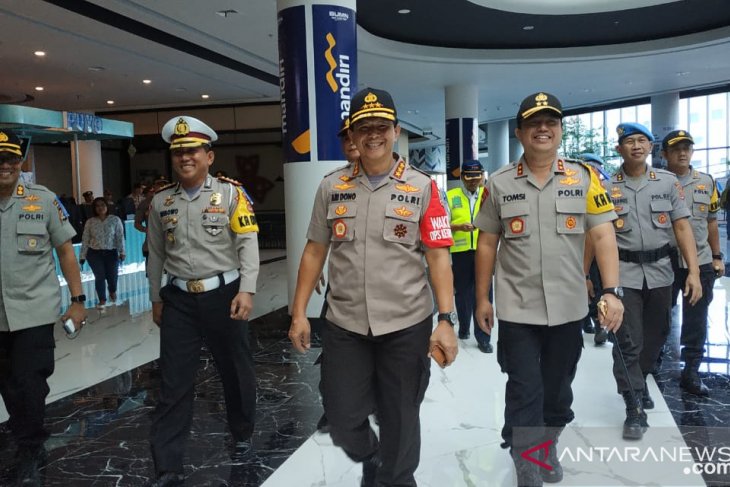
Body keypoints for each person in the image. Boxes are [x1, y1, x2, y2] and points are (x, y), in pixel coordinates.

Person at [288, 87, 458, 487]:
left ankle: (395, 479)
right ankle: (374, 457)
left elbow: (438, 256)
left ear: (396, 131)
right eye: (363, 127)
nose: (372, 134)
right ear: (353, 135)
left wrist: (446, 318)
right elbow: (315, 250)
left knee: (400, 414)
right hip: (346, 324)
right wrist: (298, 312)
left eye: (381, 126)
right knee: (342, 414)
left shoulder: (424, 188)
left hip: (406, 323)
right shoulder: (332, 186)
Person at [474, 92, 623, 486]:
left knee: (558, 390)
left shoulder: (584, 178)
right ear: (520, 132)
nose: (543, 128)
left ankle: (548, 441)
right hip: (517, 308)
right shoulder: (499, 183)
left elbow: (604, 234)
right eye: (534, 122)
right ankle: (529, 466)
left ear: (559, 131)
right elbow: (487, 242)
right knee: (524, 388)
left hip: (569, 307)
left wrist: (611, 290)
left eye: (551, 122)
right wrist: (481, 299)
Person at [145, 116, 260, 487]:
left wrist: (248, 288)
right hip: (178, 298)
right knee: (173, 381)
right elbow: (156, 256)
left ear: (209, 155)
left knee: (235, 371)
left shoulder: (230, 194)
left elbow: (247, 243)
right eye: (178, 152)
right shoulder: (161, 201)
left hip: (225, 296)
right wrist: (156, 298)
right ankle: (168, 464)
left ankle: (242, 433)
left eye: (192, 150)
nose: (184, 157)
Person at [0, 130, 87, 486]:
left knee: (31, 381)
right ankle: (24, 432)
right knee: (8, 384)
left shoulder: (43, 200)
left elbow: (66, 251)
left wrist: (78, 301)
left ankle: (31, 442)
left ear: (20, 163)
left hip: (34, 311)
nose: (4, 166)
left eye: (10, 159)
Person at [604, 122, 701, 441]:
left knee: (657, 335)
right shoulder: (606, 187)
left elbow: (683, 227)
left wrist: (694, 272)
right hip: (624, 274)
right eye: (628, 141)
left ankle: (640, 378)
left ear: (650, 148)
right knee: (627, 340)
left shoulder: (668, 183)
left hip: (662, 272)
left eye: (641, 141)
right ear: (619, 149)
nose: (635, 146)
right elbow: (598, 236)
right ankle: (633, 406)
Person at [663, 130, 722, 396]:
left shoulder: (706, 182)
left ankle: (691, 372)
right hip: (664, 261)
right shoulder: (657, 182)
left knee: (696, 320)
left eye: (687, 148)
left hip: (700, 260)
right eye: (676, 149)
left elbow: (711, 222)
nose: (683, 153)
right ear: (665, 155)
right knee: (658, 316)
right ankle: (651, 364)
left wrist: (718, 256)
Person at [314, 117, 361, 434]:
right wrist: (316, 267)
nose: (352, 143)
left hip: (387, 291)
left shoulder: (407, 184)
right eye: (345, 139)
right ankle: (332, 409)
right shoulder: (332, 185)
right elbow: (320, 237)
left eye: (355, 136)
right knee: (332, 355)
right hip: (342, 288)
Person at [446, 159, 492, 353]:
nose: (473, 181)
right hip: (460, 251)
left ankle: (483, 337)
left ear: (482, 176)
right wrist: (458, 226)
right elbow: (443, 224)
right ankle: (464, 327)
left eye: (477, 176)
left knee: (485, 293)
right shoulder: (450, 196)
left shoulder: (488, 195)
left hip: (484, 250)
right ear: (462, 177)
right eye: (469, 177)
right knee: (463, 293)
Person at [578, 153, 609, 343]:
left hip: (599, 251)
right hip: (578, 250)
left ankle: (599, 324)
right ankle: (585, 321)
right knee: (583, 286)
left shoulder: (604, 190)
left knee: (598, 289)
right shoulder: (574, 189)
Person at [79, 197, 126, 308]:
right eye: (97, 206)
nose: (100, 208)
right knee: (99, 276)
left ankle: (112, 290)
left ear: (107, 206)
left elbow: (119, 237)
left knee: (112, 276)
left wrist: (122, 251)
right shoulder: (90, 222)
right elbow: (85, 239)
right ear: (94, 208)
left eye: (103, 205)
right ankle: (102, 299)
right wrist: (82, 256)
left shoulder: (115, 220)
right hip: (94, 254)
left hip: (111, 253)